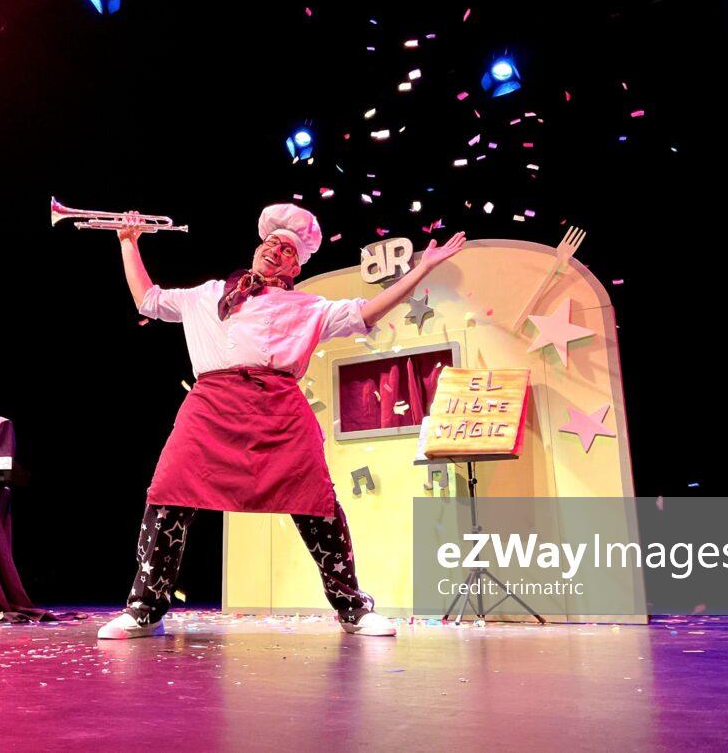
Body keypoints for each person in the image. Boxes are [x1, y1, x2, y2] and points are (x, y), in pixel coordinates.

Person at [98, 204, 465, 639]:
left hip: (279, 408)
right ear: (257, 248)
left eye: (287, 249)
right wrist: (128, 242)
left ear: (295, 266)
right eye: (270, 242)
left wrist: (422, 269)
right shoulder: (208, 294)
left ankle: (352, 608)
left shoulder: (309, 307)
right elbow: (149, 300)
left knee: (318, 504)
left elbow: (368, 311)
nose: (274, 250)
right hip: (211, 406)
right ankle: (145, 609)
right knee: (167, 496)